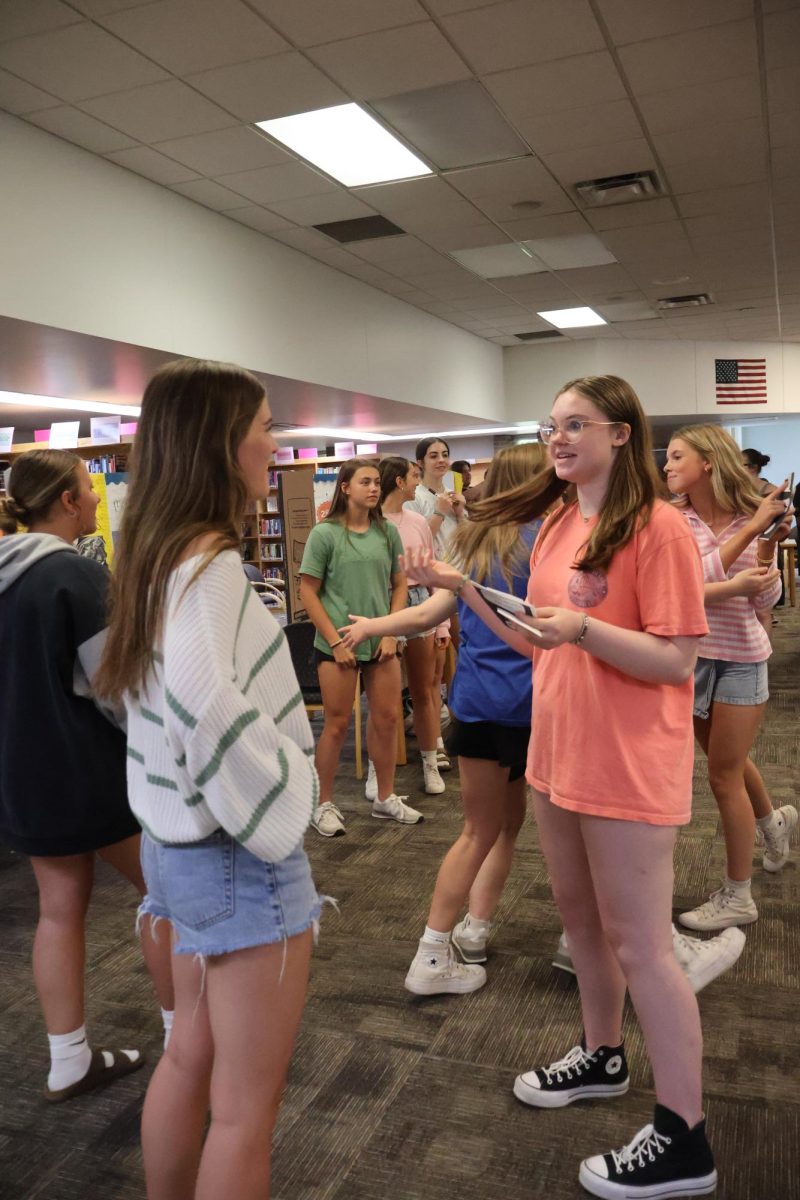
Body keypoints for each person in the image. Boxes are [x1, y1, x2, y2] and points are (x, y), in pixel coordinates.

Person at [401, 376, 719, 1199]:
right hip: (558, 754)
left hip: (628, 763)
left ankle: (687, 1137)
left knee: (642, 945)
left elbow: (678, 658)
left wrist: (586, 629)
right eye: (551, 426)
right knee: (580, 923)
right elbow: (536, 638)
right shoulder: (554, 527)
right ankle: (603, 1054)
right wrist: (462, 588)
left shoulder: (658, 528)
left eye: (576, 425)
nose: (558, 438)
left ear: (621, 435)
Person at [95, 359, 320, 1200]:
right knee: (243, 1111)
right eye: (265, 425)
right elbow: (201, 702)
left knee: (190, 1053)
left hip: (175, 850)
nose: (275, 441)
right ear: (220, 443)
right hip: (234, 856)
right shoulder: (214, 565)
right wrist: (281, 798)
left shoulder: (156, 556)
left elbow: (149, 701)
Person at [0, 449, 174, 1103]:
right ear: (69, 501)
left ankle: (67, 1056)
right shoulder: (74, 576)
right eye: (88, 490)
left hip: (24, 773)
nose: (99, 498)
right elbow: (115, 688)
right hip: (92, 772)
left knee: (58, 911)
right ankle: (184, 1037)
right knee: (164, 896)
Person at [343, 443, 545, 993]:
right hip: (535, 708)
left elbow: (432, 609)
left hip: (478, 705)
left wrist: (373, 627)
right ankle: (452, 943)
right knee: (526, 830)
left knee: (487, 828)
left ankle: (460, 936)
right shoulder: (549, 545)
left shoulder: (476, 547)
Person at [665, 425, 797, 930]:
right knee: (729, 763)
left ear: (708, 464)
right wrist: (749, 536)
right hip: (690, 659)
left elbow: (763, 601)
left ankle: (738, 894)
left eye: (678, 457)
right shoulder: (673, 521)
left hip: (742, 656)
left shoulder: (752, 518)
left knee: (723, 774)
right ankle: (773, 822)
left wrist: (765, 555)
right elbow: (679, 589)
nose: (668, 467)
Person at [299, 458, 421, 837]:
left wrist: (389, 632)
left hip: (379, 639)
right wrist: (335, 642)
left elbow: (400, 585)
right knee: (335, 725)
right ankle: (323, 805)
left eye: (376, 483)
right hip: (337, 644)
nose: (373, 488)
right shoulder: (325, 534)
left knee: (386, 719)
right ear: (345, 488)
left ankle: (385, 798)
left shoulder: (386, 532)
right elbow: (308, 592)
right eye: (365, 482)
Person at [376, 456, 449, 797]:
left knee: (423, 690)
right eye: (414, 476)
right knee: (383, 698)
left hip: (419, 600)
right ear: (399, 482)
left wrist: (443, 624)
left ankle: (431, 764)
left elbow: (431, 569)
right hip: (382, 603)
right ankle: (378, 774)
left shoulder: (417, 520)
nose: (417, 483)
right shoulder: (369, 521)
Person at [406, 436, 466, 765]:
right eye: (433, 456)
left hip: (461, 580)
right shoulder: (414, 498)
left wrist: (459, 510)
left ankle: (462, 722)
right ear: (421, 462)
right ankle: (437, 740)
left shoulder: (453, 494)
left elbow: (468, 535)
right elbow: (417, 543)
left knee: (467, 653)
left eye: (445, 455)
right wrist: (441, 513)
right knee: (435, 670)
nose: (441, 460)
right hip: (433, 586)